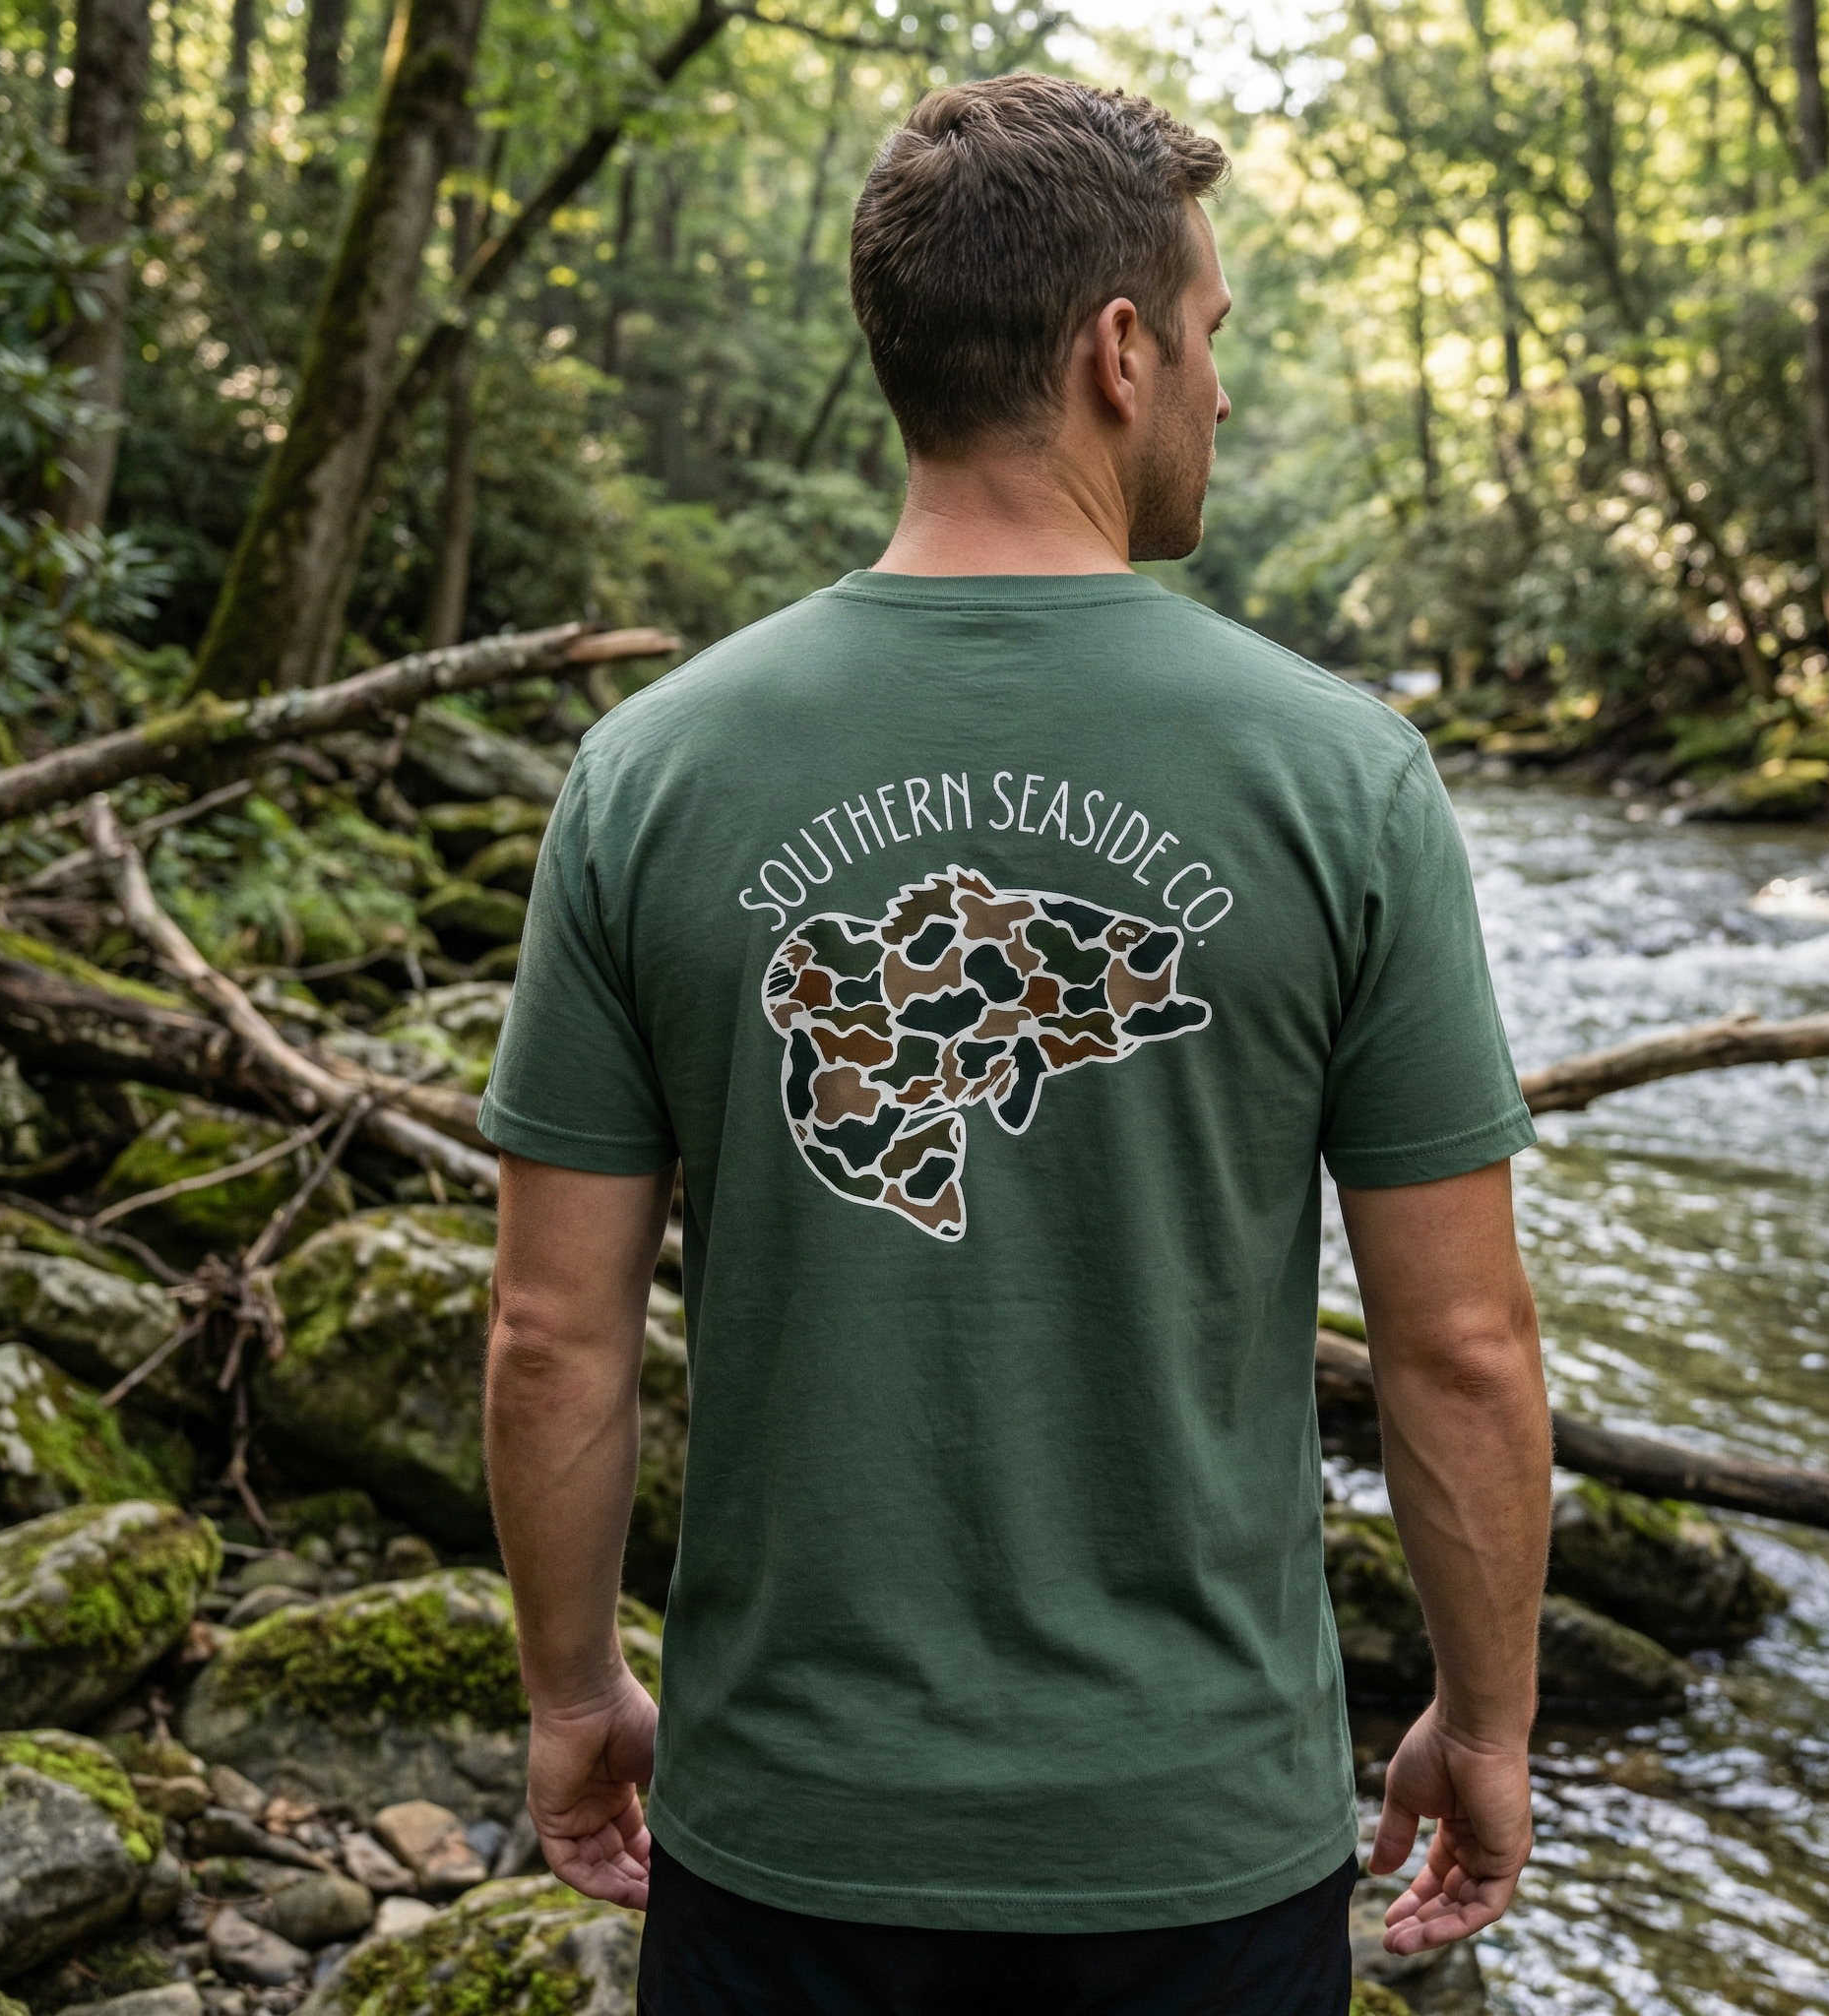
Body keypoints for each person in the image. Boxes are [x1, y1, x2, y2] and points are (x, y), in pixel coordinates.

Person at [480, 73, 1551, 2016]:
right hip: (1192, 1845)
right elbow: (1457, 1348)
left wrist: (573, 1688)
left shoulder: (648, 772)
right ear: (1118, 352)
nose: (1223, 387)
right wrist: (1485, 1723)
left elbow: (552, 1332)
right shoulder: (1341, 780)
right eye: (1213, 333)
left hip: (787, 1831)